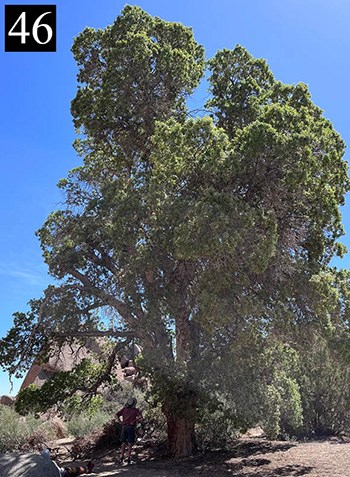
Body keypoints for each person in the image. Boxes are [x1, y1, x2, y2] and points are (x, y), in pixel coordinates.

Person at [116, 397, 142, 465]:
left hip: (124, 427)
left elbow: (116, 415)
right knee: (130, 443)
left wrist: (120, 422)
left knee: (123, 443)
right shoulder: (136, 410)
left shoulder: (124, 409)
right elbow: (140, 418)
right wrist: (134, 421)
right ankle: (128, 459)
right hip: (131, 427)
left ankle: (121, 458)